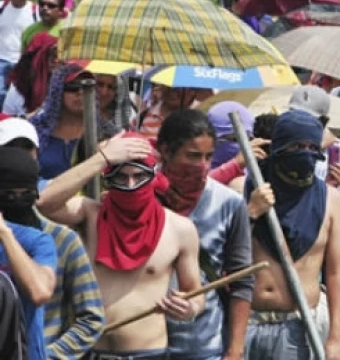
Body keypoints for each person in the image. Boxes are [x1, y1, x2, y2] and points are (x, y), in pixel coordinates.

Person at [37, 133, 206, 359]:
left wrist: (191, 308)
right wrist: (102, 158)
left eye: (139, 176)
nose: (130, 185)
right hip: (91, 351)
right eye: (121, 177)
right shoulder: (90, 214)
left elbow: (195, 291)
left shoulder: (180, 229)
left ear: (153, 176)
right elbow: (43, 202)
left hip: (148, 353)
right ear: (108, 179)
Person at [153, 110, 256, 360]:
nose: (203, 166)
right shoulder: (140, 196)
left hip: (202, 346)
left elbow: (242, 280)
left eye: (209, 157)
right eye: (193, 156)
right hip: (145, 344)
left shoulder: (228, 203)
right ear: (166, 151)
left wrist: (235, 350)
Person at [244, 110, 340, 360]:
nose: (305, 152)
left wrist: (336, 339)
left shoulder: (331, 201)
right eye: (296, 146)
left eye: (312, 146)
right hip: (247, 323)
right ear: (279, 147)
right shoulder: (245, 189)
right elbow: (223, 256)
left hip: (300, 325)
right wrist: (250, 214)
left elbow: (335, 274)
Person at [0, 117, 104, 360]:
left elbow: (91, 317)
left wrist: (48, 355)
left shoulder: (58, 240)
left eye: (26, 151)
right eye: (8, 153)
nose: (19, 159)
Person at [0, 147, 57, 360]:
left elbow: (40, 291)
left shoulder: (38, 240)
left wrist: (5, 234)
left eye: (25, 195)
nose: (17, 201)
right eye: (8, 195)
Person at [30, 66, 116, 179]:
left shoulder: (108, 134)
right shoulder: (35, 130)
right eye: (73, 87)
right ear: (58, 90)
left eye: (87, 87)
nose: (80, 92)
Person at [0, 0, 39, 104]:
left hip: (24, 61)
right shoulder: (2, 7)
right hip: (2, 60)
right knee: (1, 94)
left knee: (22, 95)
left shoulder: (36, 11)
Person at [3, 32, 57, 117]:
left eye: (58, 56)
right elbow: (7, 122)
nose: (56, 61)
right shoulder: (18, 89)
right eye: (50, 56)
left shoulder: (66, 86)